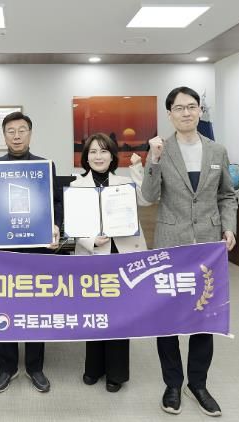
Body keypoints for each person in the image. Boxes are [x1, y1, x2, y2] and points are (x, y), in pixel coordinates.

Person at [141, 86, 237, 417]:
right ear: (169, 114)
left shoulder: (217, 150)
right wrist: (153, 159)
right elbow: (149, 196)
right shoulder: (161, 149)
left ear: (199, 111)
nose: (186, 112)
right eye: (179, 108)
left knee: (204, 319)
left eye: (192, 106)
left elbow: (227, 195)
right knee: (167, 320)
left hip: (208, 248)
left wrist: (229, 227)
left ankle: (198, 384)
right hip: (171, 245)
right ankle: (172, 384)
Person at [0, 111, 62, 394]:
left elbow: (56, 203)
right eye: (11, 131)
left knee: (36, 308)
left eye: (22, 130)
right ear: (4, 136)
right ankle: (7, 367)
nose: (16, 136)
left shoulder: (44, 166)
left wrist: (55, 225)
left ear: (30, 133)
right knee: (4, 307)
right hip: (4, 250)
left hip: (37, 250)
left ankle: (35, 367)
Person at [71, 133, 151, 393]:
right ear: (86, 158)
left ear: (112, 156)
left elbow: (146, 199)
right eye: (93, 152)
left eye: (104, 151)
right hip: (93, 255)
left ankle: (116, 373)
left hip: (122, 255)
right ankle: (93, 368)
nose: (98, 156)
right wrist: (91, 240)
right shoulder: (76, 186)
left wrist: (137, 168)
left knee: (120, 316)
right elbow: (73, 226)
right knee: (94, 314)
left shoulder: (125, 182)